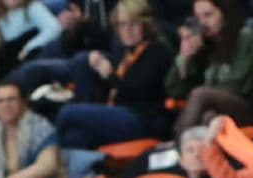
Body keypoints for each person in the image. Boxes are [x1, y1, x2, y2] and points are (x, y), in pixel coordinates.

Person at [48, 2, 176, 151]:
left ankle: (48, 160)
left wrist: (109, 75)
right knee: (75, 136)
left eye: (134, 24)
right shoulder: (125, 51)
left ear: (146, 25)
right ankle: (81, 171)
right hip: (121, 114)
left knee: (68, 112)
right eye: (122, 24)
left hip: (143, 119)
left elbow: (137, 93)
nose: (127, 30)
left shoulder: (158, 52)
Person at [168, 0, 253, 133]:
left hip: (249, 109)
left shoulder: (245, 36)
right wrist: (184, 59)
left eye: (208, 15)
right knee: (208, 117)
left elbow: (239, 86)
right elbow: (176, 91)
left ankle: (179, 144)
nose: (203, 22)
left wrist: (208, 95)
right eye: (198, 17)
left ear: (224, 13)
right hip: (215, 109)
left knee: (200, 94)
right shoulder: (205, 44)